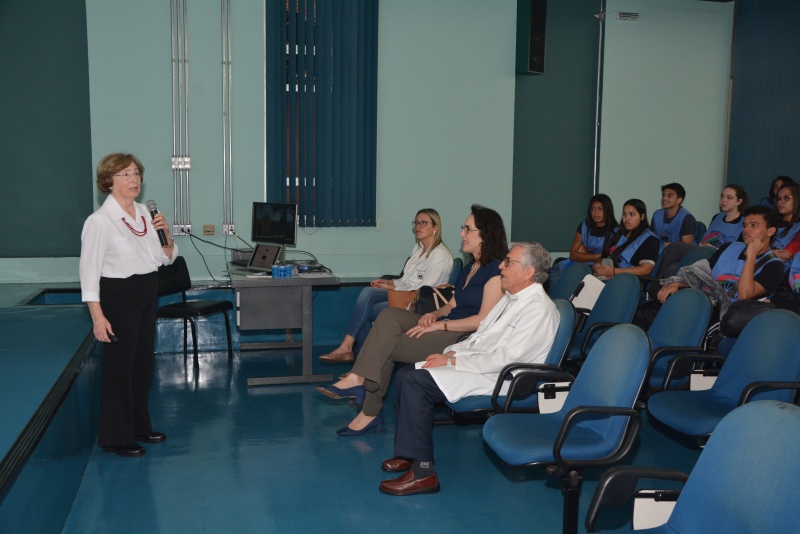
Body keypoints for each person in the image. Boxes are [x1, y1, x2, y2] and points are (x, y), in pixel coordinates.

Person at [377, 242, 559, 496]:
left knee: (415, 382)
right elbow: (483, 337)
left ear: (528, 272)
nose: (501, 266)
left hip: (506, 379)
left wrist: (452, 361)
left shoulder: (538, 309)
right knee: (407, 373)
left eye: (509, 262)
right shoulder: (513, 299)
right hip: (484, 365)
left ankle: (423, 473)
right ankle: (410, 452)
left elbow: (507, 359)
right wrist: (453, 353)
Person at [316, 205, 508, 436]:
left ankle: (368, 412)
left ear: (485, 235)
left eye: (468, 229)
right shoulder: (472, 266)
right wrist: (435, 314)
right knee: (388, 316)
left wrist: (441, 324)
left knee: (385, 346)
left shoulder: (497, 271)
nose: (461, 234)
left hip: (461, 336)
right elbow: (453, 304)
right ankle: (360, 384)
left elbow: (481, 321)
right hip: (444, 323)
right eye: (462, 228)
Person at [80, 153, 177, 458]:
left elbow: (165, 259)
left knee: (141, 364)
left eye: (136, 173)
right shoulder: (99, 222)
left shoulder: (146, 215)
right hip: (118, 294)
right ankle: (115, 437)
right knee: (120, 366)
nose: (134, 179)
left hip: (147, 291)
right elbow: (89, 272)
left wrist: (167, 236)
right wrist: (97, 317)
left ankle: (138, 425)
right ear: (108, 182)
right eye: (125, 174)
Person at [319, 209, 453, 363]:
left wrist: (393, 288)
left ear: (435, 227)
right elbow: (406, 280)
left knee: (368, 309)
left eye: (424, 223)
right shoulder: (418, 249)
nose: (418, 226)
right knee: (368, 292)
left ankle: (356, 356)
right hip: (405, 296)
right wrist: (390, 283)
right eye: (416, 223)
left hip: (420, 304)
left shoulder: (440, 255)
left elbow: (423, 290)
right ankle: (354, 354)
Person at [635, 205, 785, 336]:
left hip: (724, 316)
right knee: (644, 312)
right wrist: (680, 283)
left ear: (770, 231)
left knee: (676, 319)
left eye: (754, 225)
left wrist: (751, 255)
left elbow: (744, 295)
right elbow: (703, 274)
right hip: (700, 300)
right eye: (745, 225)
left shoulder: (774, 266)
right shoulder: (729, 247)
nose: (746, 230)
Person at [655, 185, 748, 280]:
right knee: (672, 267)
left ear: (739, 201)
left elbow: (737, 251)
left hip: (718, 257)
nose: (724, 200)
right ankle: (665, 289)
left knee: (674, 247)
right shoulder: (717, 217)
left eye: (729, 198)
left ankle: (652, 278)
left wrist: (714, 248)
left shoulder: (745, 223)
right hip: (701, 252)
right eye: (722, 196)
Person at [549, 194, 618, 283]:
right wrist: (597, 256)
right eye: (593, 209)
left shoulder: (616, 232)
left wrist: (584, 255)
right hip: (574, 265)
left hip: (597, 270)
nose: (595, 212)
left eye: (600, 209)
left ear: (608, 211)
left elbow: (609, 259)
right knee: (554, 277)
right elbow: (573, 255)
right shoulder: (585, 226)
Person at [592, 199, 663, 279]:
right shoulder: (619, 233)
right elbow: (604, 256)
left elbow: (645, 269)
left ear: (642, 217)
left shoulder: (650, 239)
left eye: (632, 214)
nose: (627, 218)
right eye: (624, 214)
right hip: (607, 274)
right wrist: (597, 265)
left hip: (626, 281)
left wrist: (613, 271)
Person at [771, 182, 800, 267]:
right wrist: (770, 252)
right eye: (779, 198)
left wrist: (766, 253)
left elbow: (785, 255)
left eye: (786, 198)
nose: (780, 202)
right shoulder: (769, 222)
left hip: (787, 275)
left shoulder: (797, 226)